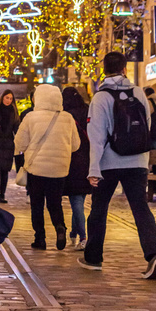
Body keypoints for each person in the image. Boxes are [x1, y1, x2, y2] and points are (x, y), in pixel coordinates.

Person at [78, 51, 156, 280]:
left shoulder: (101, 97)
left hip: (108, 162)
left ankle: (93, 258)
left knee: (99, 208)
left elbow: (96, 136)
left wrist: (93, 169)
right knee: (141, 209)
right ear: (125, 69)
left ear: (103, 70)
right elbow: (145, 127)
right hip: (137, 161)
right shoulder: (138, 92)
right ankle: (154, 254)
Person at [15, 83, 80, 251]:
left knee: (37, 203)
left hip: (36, 168)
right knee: (54, 202)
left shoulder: (30, 117)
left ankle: (40, 238)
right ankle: (60, 227)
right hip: (59, 169)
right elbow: (75, 145)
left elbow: (20, 144)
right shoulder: (67, 118)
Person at [61, 87, 91, 250]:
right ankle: (73, 232)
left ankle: (83, 236)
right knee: (78, 198)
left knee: (76, 200)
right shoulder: (87, 110)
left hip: (71, 160)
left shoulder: (65, 116)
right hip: (87, 160)